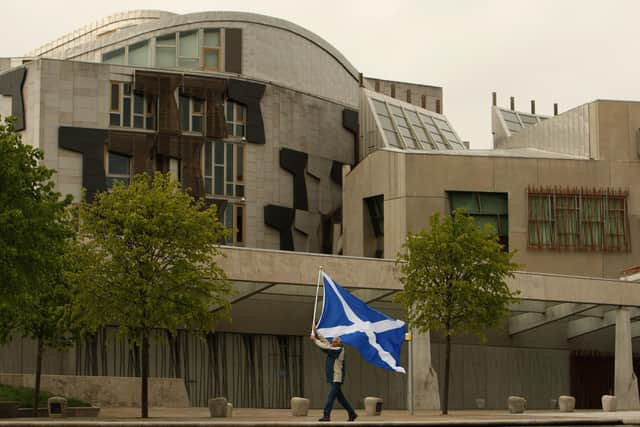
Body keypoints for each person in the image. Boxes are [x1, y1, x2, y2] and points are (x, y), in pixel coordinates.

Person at [310, 324, 358, 422]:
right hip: (333, 378)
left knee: (330, 398)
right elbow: (324, 341)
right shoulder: (333, 347)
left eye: (335, 341)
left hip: (336, 379)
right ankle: (352, 413)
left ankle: (326, 415)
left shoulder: (338, 350)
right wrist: (316, 331)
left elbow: (325, 347)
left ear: (339, 343)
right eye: (333, 340)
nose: (333, 342)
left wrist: (315, 340)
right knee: (341, 399)